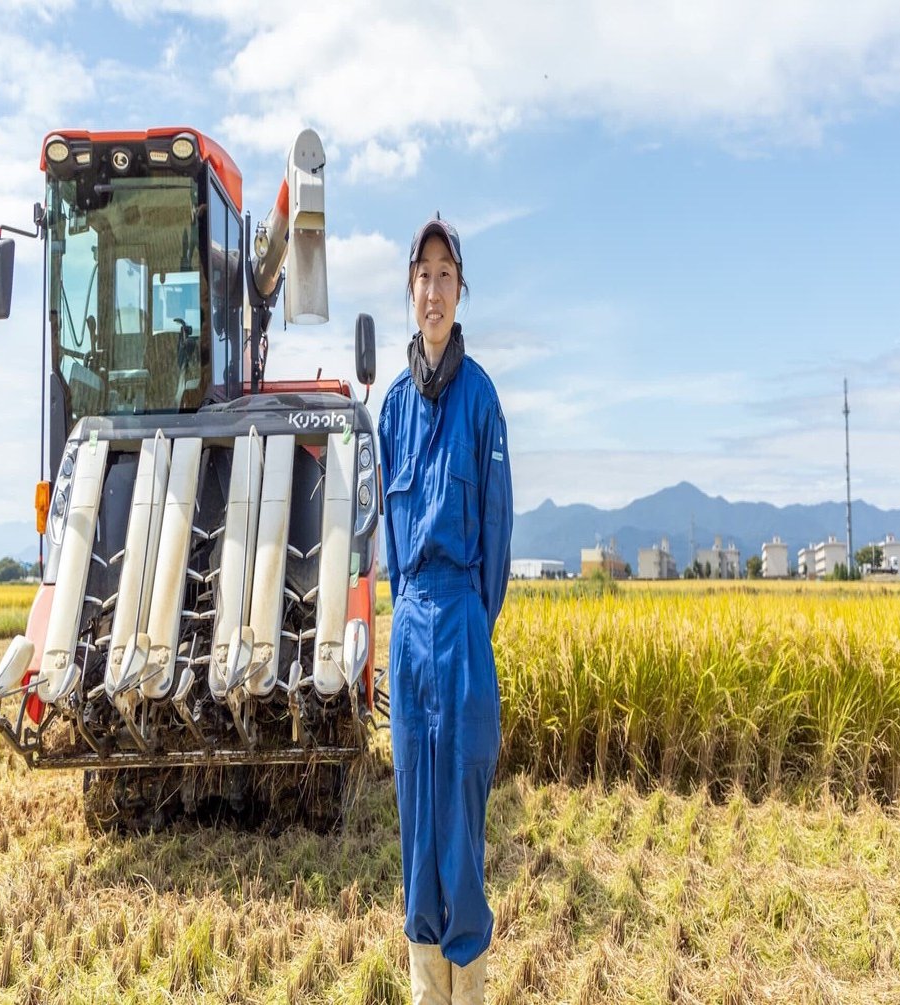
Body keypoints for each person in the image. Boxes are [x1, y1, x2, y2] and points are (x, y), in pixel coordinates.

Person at [378, 215, 514, 1004]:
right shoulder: (392, 406)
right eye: (421, 275)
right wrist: (411, 619)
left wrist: (466, 621)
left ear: (461, 291)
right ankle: (427, 986)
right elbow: (389, 545)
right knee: (415, 817)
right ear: (410, 290)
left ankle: (470, 986)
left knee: (460, 817)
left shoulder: (481, 398)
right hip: (411, 624)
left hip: (461, 617)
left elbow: (495, 532)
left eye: (446, 274)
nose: (433, 289)